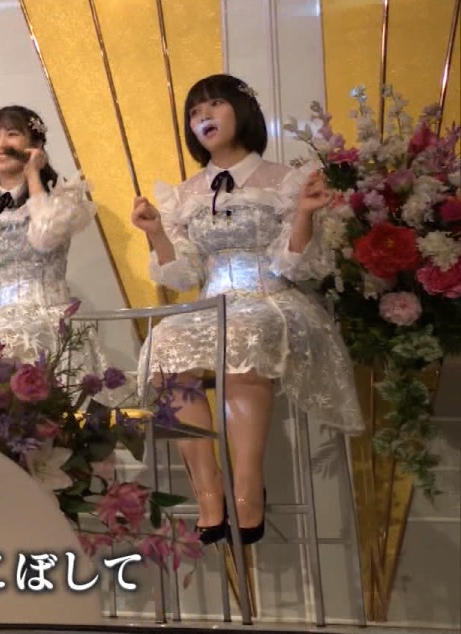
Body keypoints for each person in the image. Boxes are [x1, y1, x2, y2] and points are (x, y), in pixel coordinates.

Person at [131, 73, 363, 546]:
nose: (203, 117)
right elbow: (183, 274)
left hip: (270, 298)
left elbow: (296, 265)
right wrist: (156, 233)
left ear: (242, 111)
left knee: (241, 337)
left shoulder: (285, 180)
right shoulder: (185, 194)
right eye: (195, 112)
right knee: (164, 346)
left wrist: (305, 213)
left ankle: (247, 487)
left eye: (214, 105)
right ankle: (208, 489)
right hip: (213, 301)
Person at [0, 106, 116, 396]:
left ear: (36, 144)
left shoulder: (61, 197)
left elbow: (45, 235)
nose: (1, 144)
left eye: (12, 134)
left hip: (48, 319)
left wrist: (33, 176)